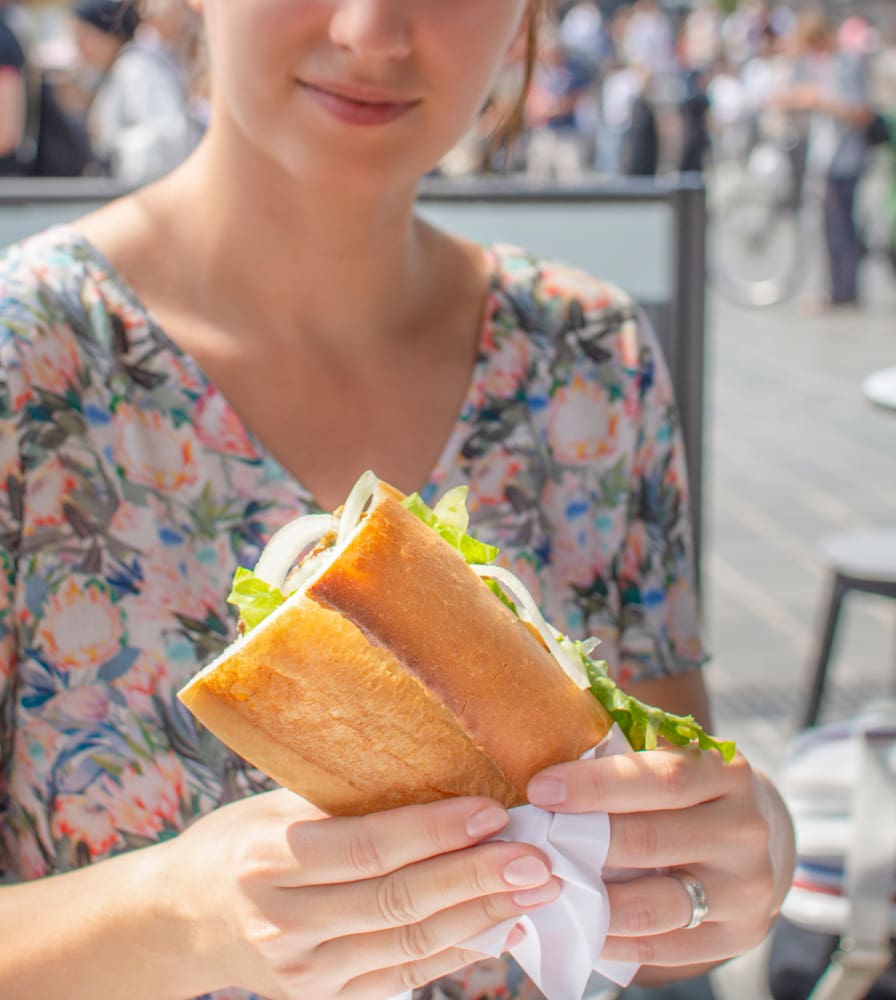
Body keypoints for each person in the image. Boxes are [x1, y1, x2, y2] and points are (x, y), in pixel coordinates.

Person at [0, 1, 796, 998]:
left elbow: (655, 847)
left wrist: (740, 847)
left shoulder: (592, 359)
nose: (372, 30)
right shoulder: (27, 367)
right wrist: (180, 914)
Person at [774, 7, 873, 311]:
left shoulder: (845, 66)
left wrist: (823, 103)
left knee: (840, 227)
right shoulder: (823, 67)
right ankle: (837, 289)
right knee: (831, 227)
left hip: (844, 159)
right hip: (827, 157)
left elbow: (860, 113)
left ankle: (843, 292)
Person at [72, 0, 200, 185]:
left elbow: (169, 137)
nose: (80, 45)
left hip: (150, 190)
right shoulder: (120, 69)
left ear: (109, 34)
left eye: (85, 35)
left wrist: (111, 148)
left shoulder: (136, 68)